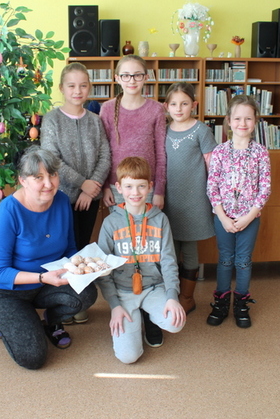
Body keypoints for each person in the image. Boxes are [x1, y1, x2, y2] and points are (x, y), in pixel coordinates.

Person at [0, 146, 97, 370]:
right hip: (5, 290)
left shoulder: (61, 201)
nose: (49, 184)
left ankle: (49, 320)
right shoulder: (8, 211)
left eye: (52, 174)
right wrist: (42, 278)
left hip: (46, 283)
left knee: (87, 293)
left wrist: (87, 267)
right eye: (38, 177)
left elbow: (69, 248)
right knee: (33, 358)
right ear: (23, 181)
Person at [99, 54, 167, 346]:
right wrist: (106, 185)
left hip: (147, 187)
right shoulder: (107, 109)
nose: (131, 80)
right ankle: (127, 304)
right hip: (118, 189)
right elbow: (104, 151)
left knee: (150, 247)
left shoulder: (156, 109)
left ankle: (151, 312)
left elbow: (161, 152)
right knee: (123, 247)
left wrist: (159, 189)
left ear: (146, 78)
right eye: (125, 75)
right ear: (117, 79)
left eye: (137, 75)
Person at [40, 62, 111, 326]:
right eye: (71, 86)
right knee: (60, 251)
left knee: (81, 249)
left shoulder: (95, 120)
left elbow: (105, 155)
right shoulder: (52, 119)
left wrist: (92, 187)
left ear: (89, 87)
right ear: (62, 88)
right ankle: (60, 304)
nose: (77, 91)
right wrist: (82, 183)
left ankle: (79, 302)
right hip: (60, 198)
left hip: (89, 199)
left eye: (83, 85)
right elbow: (52, 159)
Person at [97, 157, 185, 364]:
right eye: (129, 186)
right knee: (128, 357)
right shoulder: (110, 223)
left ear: (150, 187)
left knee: (175, 322)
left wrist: (172, 296)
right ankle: (134, 320)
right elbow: (103, 268)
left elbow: (169, 261)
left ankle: (150, 317)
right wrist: (114, 305)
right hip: (123, 292)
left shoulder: (160, 219)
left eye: (141, 186)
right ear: (119, 187)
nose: (135, 192)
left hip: (154, 288)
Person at [206, 95, 271, 329]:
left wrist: (249, 216)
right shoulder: (220, 151)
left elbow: (265, 187)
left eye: (248, 118)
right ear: (228, 121)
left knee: (243, 261)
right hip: (223, 218)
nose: (242, 123)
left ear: (255, 121)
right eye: (237, 118)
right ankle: (221, 302)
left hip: (249, 219)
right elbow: (212, 186)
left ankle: (241, 304)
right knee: (225, 260)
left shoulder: (260, 152)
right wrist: (223, 217)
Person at [163, 82, 218, 314]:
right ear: (166, 106)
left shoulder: (201, 131)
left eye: (184, 103)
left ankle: (187, 297)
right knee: (170, 248)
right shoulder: (163, 130)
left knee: (190, 248)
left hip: (194, 200)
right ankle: (171, 296)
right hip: (168, 200)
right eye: (174, 104)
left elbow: (212, 166)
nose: (179, 108)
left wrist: (216, 199)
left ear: (194, 105)